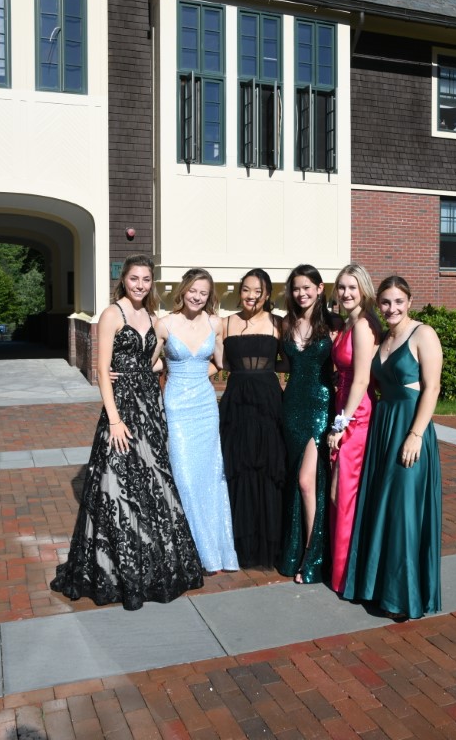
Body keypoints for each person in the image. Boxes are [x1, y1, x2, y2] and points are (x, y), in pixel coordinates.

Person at [50, 254, 204, 610]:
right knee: (117, 484)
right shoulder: (112, 314)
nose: (140, 285)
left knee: (154, 481)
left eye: (146, 280)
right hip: (121, 409)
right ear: (124, 280)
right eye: (135, 279)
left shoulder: (151, 316)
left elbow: (152, 360)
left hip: (149, 405)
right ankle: (119, 570)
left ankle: (153, 566)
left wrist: (154, 368)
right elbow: (101, 371)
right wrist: (115, 420)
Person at [343, 275, 443, 620]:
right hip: (383, 426)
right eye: (386, 302)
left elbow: (432, 388)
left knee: (404, 510)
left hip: (410, 426)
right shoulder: (384, 338)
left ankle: (403, 598)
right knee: (384, 506)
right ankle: (379, 588)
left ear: (410, 302)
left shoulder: (423, 334)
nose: (392, 308)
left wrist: (416, 434)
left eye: (399, 301)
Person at [154, 268, 239, 574]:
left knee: (211, 477)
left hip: (205, 405)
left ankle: (214, 551)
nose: (197, 297)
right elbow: (150, 362)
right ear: (183, 291)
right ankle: (190, 551)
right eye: (193, 290)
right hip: (177, 406)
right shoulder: (165, 323)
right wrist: (170, 372)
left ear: (209, 296)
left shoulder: (215, 323)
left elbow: (221, 362)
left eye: (203, 293)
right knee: (185, 479)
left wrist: (198, 375)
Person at [278, 264, 341, 583]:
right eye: (296, 288)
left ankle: (312, 557)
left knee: (307, 481)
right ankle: (296, 550)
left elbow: (348, 359)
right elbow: (279, 362)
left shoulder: (334, 323)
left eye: (307, 287)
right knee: (298, 481)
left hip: (321, 406)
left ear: (319, 288)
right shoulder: (286, 322)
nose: (301, 293)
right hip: (292, 407)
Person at [219, 268, 286, 569]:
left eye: (258, 291)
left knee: (268, 468)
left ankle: (268, 542)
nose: (251, 296)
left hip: (269, 403)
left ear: (267, 294)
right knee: (238, 467)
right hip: (236, 403)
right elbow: (216, 362)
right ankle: (239, 544)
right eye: (246, 289)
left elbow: (292, 362)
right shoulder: (225, 323)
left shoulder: (279, 323)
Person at [327, 263, 381, 594]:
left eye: (352, 287)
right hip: (345, 406)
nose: (346, 293)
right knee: (340, 492)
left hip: (356, 415)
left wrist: (341, 425)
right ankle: (342, 570)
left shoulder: (362, 324)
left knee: (343, 493)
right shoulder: (350, 322)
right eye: (342, 287)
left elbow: (362, 378)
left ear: (364, 290)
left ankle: (348, 576)